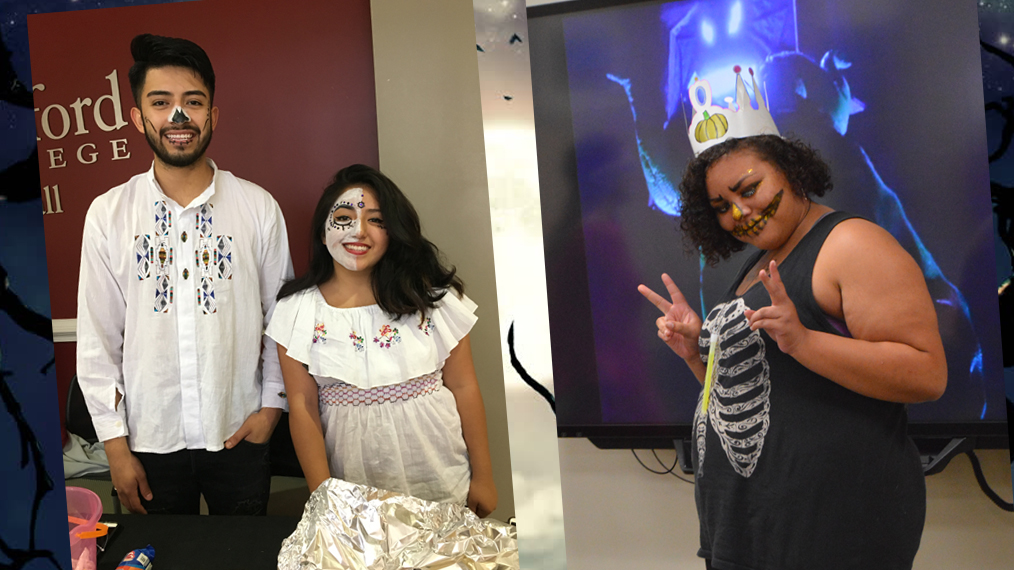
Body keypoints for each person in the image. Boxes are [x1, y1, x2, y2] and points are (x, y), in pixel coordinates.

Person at [638, 133, 947, 567]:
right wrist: (695, 353)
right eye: (722, 207)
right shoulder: (760, 260)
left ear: (793, 171)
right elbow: (768, 388)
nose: (739, 212)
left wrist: (805, 341)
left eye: (749, 189)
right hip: (746, 528)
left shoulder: (852, 243)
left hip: (831, 532)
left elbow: (926, 374)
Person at [76, 34, 293, 515]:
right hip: (147, 441)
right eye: (161, 102)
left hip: (237, 432)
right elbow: (97, 341)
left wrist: (271, 409)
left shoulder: (257, 207)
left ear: (213, 115)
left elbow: (284, 319)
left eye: (192, 102)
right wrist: (115, 448)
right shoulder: (109, 214)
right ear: (138, 118)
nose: (178, 117)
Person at [265, 164, 498, 517]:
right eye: (344, 217)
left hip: (441, 480)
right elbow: (302, 406)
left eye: (376, 220)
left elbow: (464, 386)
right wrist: (323, 499)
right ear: (322, 229)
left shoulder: (431, 301)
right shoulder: (295, 311)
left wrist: (484, 476)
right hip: (353, 491)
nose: (359, 231)